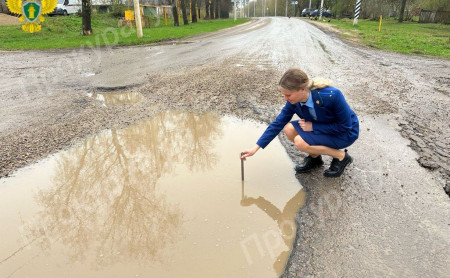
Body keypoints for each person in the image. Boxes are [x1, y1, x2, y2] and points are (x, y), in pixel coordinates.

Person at [241, 68, 359, 177]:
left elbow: (345, 126)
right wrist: (255, 148)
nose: (285, 99)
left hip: (345, 133)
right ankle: (315, 158)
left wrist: (314, 127)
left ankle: (341, 157)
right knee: (289, 129)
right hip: (321, 126)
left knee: (300, 142)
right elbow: (278, 123)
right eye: (284, 95)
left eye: (288, 95)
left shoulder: (332, 95)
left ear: (302, 90)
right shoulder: (294, 102)